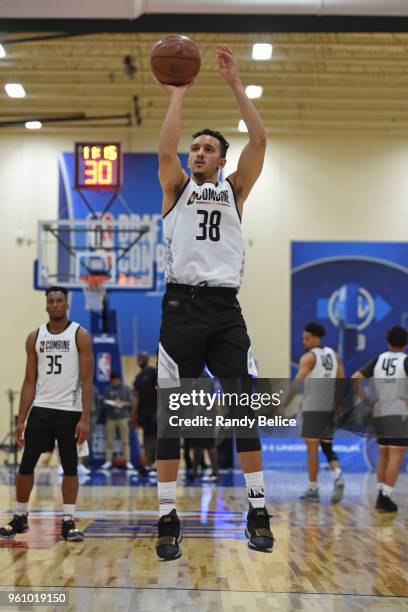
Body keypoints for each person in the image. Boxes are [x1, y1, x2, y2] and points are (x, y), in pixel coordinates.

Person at [155, 43, 273, 561]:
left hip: (226, 309)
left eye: (208, 149)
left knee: (243, 410)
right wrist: (177, 95)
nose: (197, 152)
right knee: (172, 418)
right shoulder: (176, 188)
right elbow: (164, 152)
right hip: (181, 306)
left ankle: (258, 508)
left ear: (222, 160)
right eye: (195, 147)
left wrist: (235, 85)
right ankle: (166, 515)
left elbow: (261, 138)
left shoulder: (236, 191)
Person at [0, 286, 93, 542]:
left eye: (59, 301)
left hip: (69, 412)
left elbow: (87, 381)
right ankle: (20, 517)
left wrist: (85, 418)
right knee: (26, 465)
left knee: (70, 468)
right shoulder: (35, 337)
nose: (55, 305)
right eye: (51, 301)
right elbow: (29, 381)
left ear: (66, 305)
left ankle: (68, 520)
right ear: (46, 305)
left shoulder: (80, 335)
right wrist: (21, 419)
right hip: (41, 410)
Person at [286, 322, 345, 503]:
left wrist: (284, 405)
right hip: (328, 408)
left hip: (313, 409)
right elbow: (342, 380)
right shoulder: (334, 355)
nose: (304, 341)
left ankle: (312, 488)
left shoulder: (308, 358)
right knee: (327, 447)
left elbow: (296, 383)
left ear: (316, 337)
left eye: (307, 338)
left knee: (312, 449)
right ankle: (338, 474)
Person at [352, 325, 408, 513]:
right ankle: (385, 496)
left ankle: (381, 495)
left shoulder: (379, 359)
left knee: (384, 455)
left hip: (379, 412)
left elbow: (354, 378)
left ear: (388, 341)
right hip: (399, 412)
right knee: (396, 456)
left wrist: (368, 401)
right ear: (405, 343)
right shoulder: (405, 361)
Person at [131, 352, 157, 470]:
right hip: (143, 413)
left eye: (142, 358)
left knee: (155, 437)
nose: (140, 360)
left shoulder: (153, 373)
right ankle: (148, 463)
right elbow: (136, 396)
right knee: (146, 437)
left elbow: (160, 390)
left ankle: (155, 462)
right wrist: (133, 414)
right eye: (138, 358)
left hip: (155, 411)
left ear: (147, 359)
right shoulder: (138, 377)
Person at [102, 372, 133, 470]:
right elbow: (104, 403)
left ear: (119, 379)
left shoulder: (126, 389)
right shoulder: (108, 389)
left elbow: (130, 403)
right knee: (109, 441)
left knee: (125, 441)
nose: (115, 381)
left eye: (117, 379)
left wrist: (122, 403)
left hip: (123, 417)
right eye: (113, 380)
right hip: (111, 418)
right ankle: (108, 461)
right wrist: (111, 403)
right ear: (111, 380)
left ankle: (128, 461)